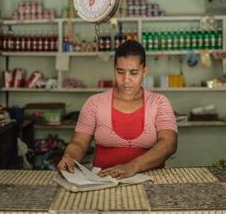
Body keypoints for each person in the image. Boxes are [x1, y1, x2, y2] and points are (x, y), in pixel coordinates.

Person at [57, 40, 177, 179]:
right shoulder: (95, 103)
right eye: (120, 72)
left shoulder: (159, 103)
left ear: (144, 71)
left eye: (133, 73)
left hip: (151, 180)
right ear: (114, 69)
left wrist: (133, 166)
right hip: (102, 181)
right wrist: (69, 157)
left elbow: (169, 144)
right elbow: (79, 142)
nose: (126, 80)